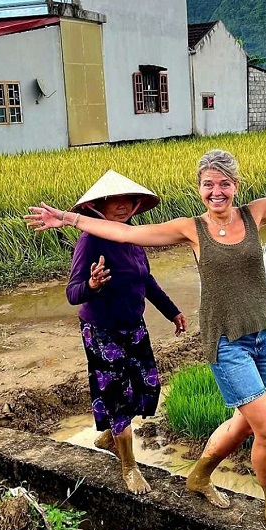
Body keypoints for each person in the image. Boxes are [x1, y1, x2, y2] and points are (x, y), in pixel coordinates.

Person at [27, 129, 266, 530]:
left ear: (236, 186)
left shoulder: (255, 214)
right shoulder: (190, 229)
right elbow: (126, 234)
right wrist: (70, 218)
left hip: (264, 334)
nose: (216, 192)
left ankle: (198, 475)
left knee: (246, 422)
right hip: (225, 340)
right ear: (199, 188)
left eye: (224, 183)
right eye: (208, 184)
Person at [65, 170, 187, 496]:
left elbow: (146, 280)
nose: (121, 206)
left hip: (134, 325)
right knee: (118, 396)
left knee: (148, 385)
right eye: (113, 200)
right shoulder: (90, 241)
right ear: (98, 206)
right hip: (102, 331)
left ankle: (108, 437)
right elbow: (73, 293)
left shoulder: (132, 236)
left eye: (127, 201)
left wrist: (172, 311)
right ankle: (129, 466)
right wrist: (91, 285)